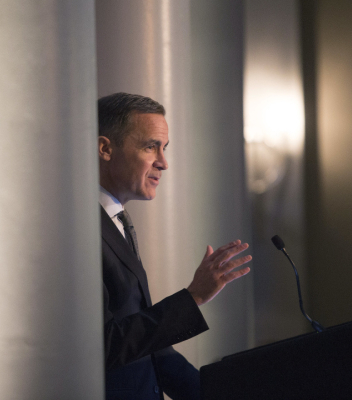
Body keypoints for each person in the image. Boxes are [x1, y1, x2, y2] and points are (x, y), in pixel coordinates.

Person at [98, 92, 252, 400]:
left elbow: (150, 348)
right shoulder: (79, 229)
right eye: (150, 146)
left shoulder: (118, 222)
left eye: (164, 148)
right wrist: (193, 297)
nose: (163, 163)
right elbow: (104, 346)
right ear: (106, 149)